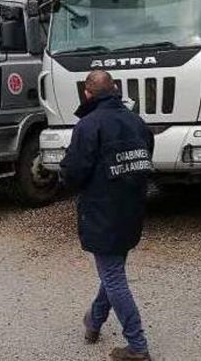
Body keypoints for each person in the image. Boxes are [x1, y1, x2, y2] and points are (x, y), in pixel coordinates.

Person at [60, 70, 155, 361]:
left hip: (102, 211)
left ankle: (137, 346)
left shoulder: (89, 125)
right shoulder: (136, 121)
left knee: (112, 276)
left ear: (87, 94)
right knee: (112, 270)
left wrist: (63, 174)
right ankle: (94, 321)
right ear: (114, 89)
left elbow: (74, 172)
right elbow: (147, 155)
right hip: (131, 208)